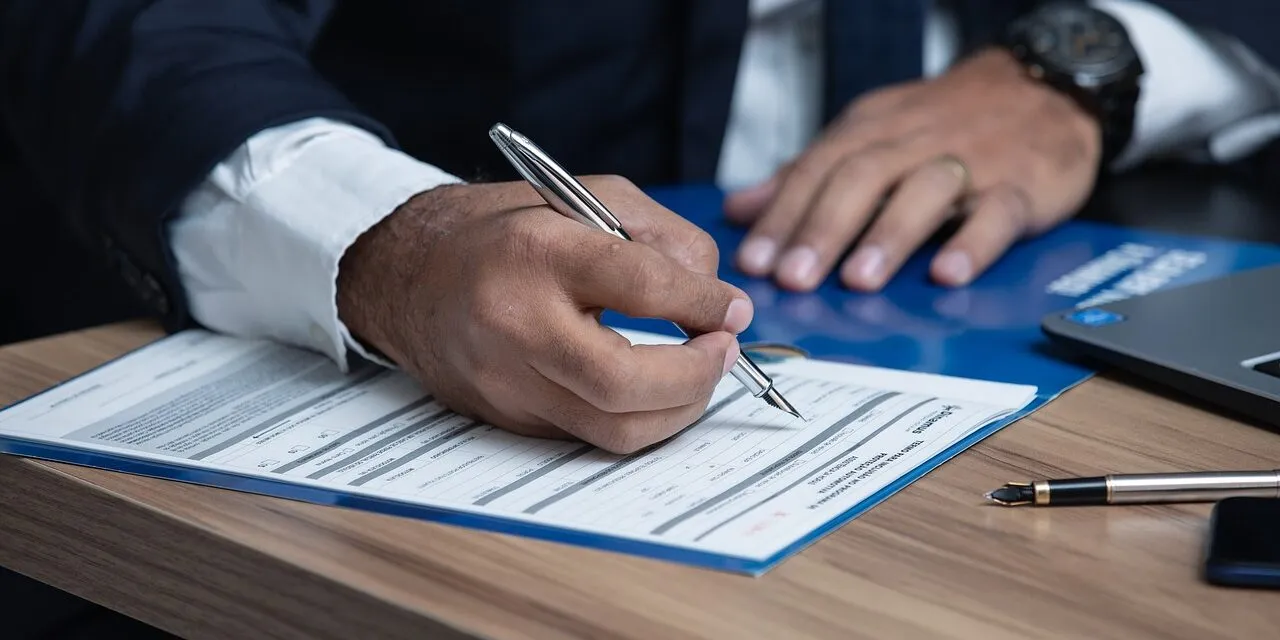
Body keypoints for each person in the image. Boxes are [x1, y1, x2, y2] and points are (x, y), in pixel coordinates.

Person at [2, 0, 1280, 635]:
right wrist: (391, 241)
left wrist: (1092, 60)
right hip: (431, 401)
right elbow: (121, 28)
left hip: (996, 298)